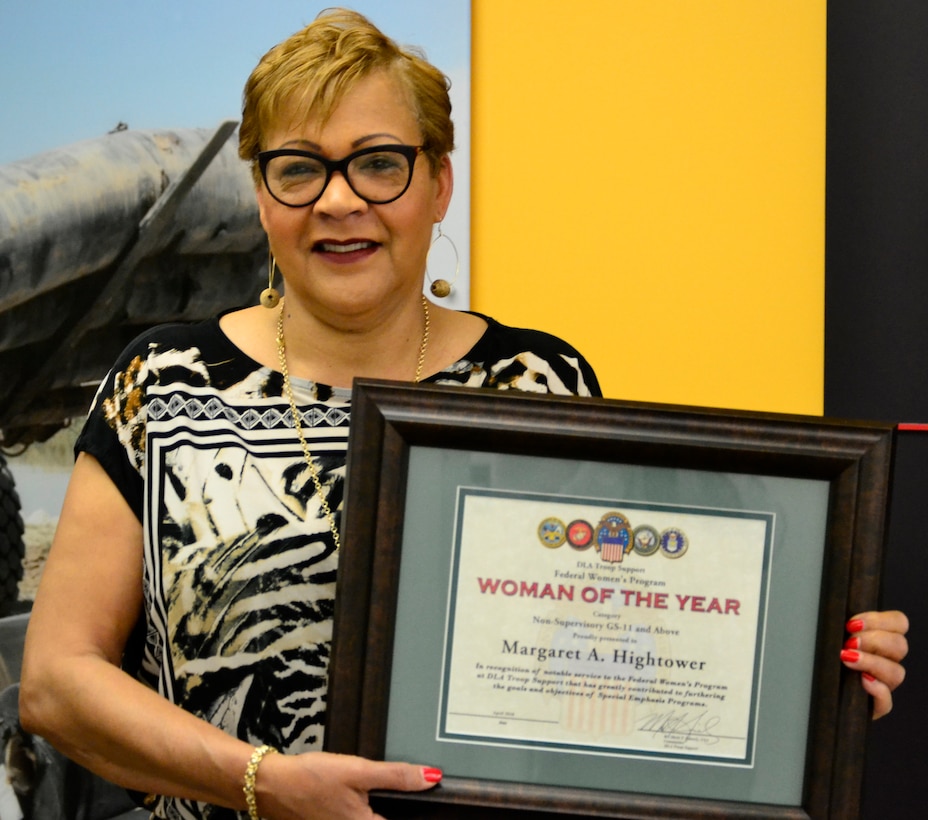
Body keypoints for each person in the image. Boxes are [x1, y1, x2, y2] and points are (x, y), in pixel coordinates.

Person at [17, 8, 908, 820]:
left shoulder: (539, 383)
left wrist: (807, 657)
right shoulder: (165, 384)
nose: (339, 200)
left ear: (439, 183)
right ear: (262, 195)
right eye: (299, 169)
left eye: (379, 162)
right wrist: (263, 783)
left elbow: (625, 633)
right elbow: (56, 685)